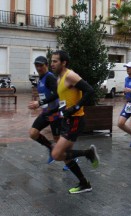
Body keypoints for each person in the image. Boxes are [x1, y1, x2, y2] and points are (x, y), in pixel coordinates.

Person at [50, 50, 100, 194]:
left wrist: (74, 109)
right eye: (51, 61)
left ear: (63, 62)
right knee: (66, 156)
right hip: (67, 121)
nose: (52, 64)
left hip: (76, 120)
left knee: (56, 154)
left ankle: (88, 153)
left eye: (55, 61)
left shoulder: (70, 75)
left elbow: (90, 91)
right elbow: (62, 100)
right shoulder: (59, 79)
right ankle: (84, 183)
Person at [28, 56, 60, 164]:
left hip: (55, 113)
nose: (38, 68)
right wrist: (38, 102)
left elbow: (56, 94)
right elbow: (45, 94)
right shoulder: (41, 78)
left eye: (41, 65)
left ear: (46, 65)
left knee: (58, 140)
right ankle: (51, 148)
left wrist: (39, 103)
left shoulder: (50, 77)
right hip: (46, 112)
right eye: (36, 65)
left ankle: (71, 159)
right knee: (33, 133)